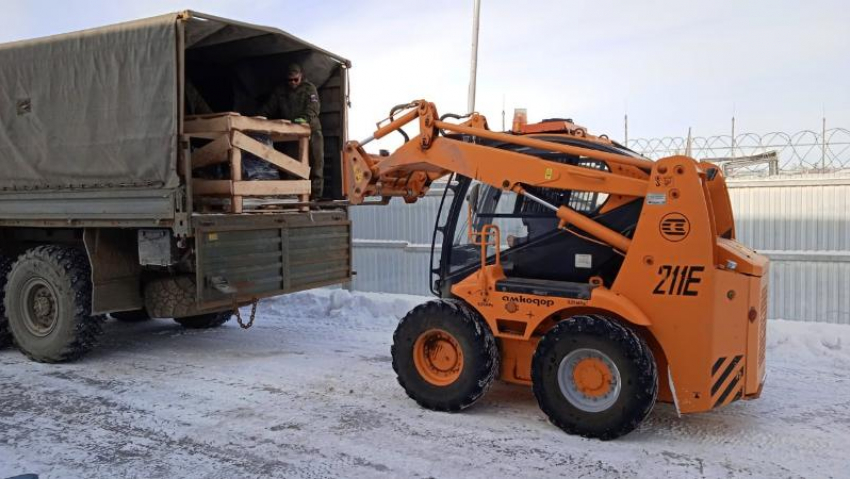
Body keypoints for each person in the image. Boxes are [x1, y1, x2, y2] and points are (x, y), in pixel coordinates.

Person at [258, 63, 325, 200]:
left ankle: (316, 198)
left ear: (301, 76)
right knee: (291, 165)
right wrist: (258, 119)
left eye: (296, 79)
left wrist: (305, 118)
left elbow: (314, 107)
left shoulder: (309, 88)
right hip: (291, 134)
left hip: (312, 131)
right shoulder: (280, 91)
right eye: (290, 80)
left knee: (316, 164)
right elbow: (269, 107)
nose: (293, 83)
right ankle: (294, 198)